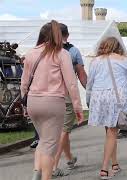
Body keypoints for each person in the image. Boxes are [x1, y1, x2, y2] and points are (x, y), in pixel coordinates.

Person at [21, 20, 84, 180]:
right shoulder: (62, 54)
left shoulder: (31, 53)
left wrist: (24, 105)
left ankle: (37, 172)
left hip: (33, 102)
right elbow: (71, 83)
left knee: (44, 140)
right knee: (50, 145)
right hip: (53, 102)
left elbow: (24, 83)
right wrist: (77, 106)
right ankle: (45, 177)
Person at [86, 37, 127, 179]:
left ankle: (115, 164)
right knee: (112, 132)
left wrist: (88, 100)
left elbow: (89, 83)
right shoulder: (123, 60)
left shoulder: (95, 61)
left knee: (110, 132)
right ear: (118, 46)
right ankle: (104, 168)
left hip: (99, 97)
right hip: (116, 98)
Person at [52, 23, 88, 177]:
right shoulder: (73, 51)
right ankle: (52, 166)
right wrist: (90, 90)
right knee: (64, 130)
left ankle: (69, 158)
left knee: (61, 131)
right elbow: (81, 74)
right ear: (68, 35)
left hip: (47, 96)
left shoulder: (45, 50)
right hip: (65, 95)